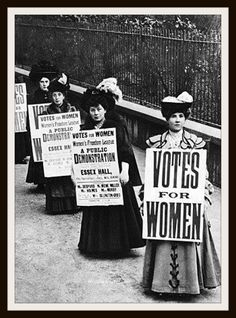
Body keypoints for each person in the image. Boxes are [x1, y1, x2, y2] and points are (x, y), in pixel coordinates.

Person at [140, 91, 221, 295]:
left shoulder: (195, 143)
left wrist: (203, 194)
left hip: (188, 203)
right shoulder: (155, 142)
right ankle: (160, 284)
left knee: (191, 233)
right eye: (173, 116)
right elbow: (151, 175)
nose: (177, 120)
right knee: (163, 236)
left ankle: (190, 284)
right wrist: (146, 198)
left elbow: (202, 173)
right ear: (166, 118)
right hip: (164, 204)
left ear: (186, 118)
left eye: (181, 116)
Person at [78, 87, 145, 255]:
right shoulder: (85, 129)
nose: (95, 113)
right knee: (97, 206)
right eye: (92, 110)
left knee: (117, 208)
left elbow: (125, 151)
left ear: (105, 109)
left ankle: (118, 244)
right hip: (95, 177)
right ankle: (97, 244)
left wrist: (125, 171)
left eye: (99, 109)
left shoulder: (115, 126)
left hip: (114, 174)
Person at [42, 73, 78, 215]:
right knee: (56, 178)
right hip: (55, 153)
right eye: (54, 95)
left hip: (68, 150)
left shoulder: (72, 110)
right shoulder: (46, 113)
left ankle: (72, 204)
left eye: (59, 95)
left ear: (64, 96)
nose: (56, 98)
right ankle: (56, 206)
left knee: (69, 176)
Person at [26, 61, 59, 191]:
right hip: (38, 128)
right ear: (38, 83)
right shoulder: (34, 96)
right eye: (42, 82)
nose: (44, 84)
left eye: (46, 82)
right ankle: (40, 180)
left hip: (51, 128)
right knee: (39, 152)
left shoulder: (54, 95)